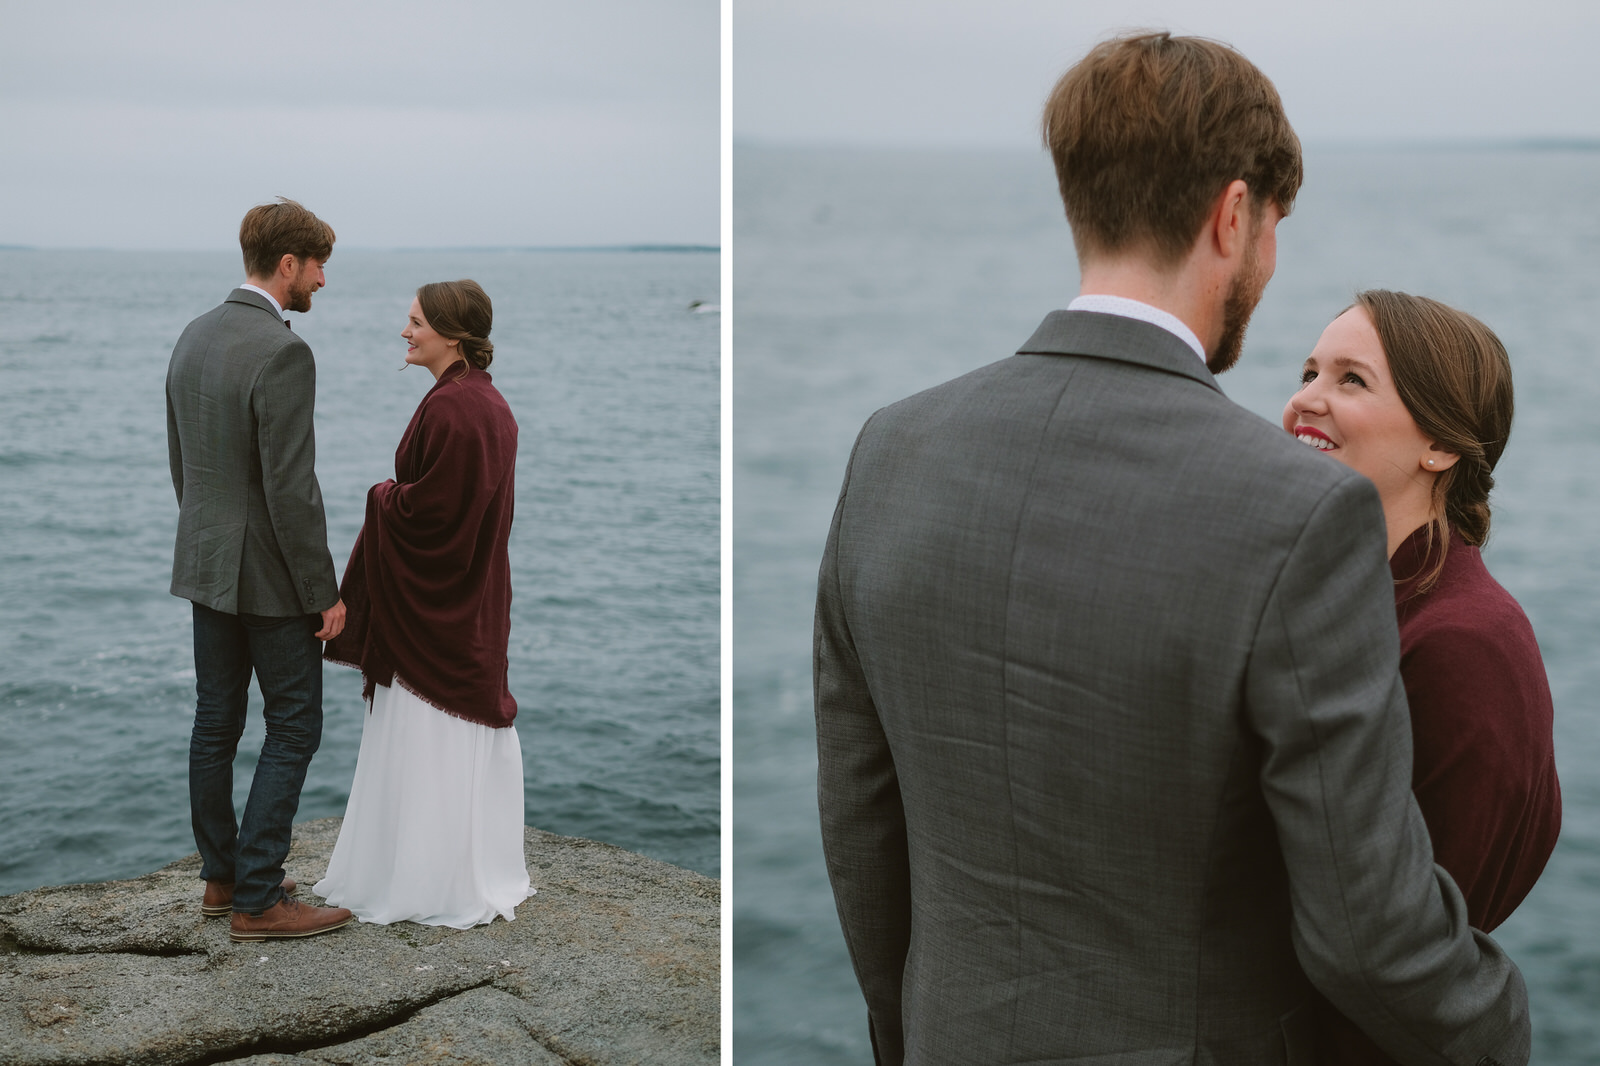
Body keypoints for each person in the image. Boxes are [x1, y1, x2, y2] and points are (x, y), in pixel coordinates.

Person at [813, 32, 1531, 1064]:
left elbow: (862, 834)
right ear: (1232, 215)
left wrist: (909, 1032)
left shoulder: (890, 449)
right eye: (1274, 226)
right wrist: (1502, 1025)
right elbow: (1364, 929)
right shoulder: (1299, 514)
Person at [1283, 290, 1561, 1062]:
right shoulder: (1351, 604)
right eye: (1309, 371)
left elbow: (1409, 965)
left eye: (1351, 380)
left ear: (1439, 445)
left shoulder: (1464, 646)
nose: (1306, 398)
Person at [166, 197, 354, 943]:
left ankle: (221, 878)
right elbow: (290, 488)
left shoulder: (193, 334)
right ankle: (259, 898)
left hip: (205, 561)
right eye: (318, 267)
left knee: (216, 721)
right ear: (288, 265)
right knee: (296, 724)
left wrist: (210, 538)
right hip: (269, 577)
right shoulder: (283, 351)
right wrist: (324, 591)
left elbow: (184, 462)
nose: (322, 282)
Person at [317, 279, 532, 928]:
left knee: (426, 733)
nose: (405, 332)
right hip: (475, 597)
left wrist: (382, 495)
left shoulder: (454, 408)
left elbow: (433, 512)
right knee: (451, 740)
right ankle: (456, 874)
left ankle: (421, 885)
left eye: (415, 322)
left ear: (453, 333)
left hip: (436, 610)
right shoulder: (484, 402)